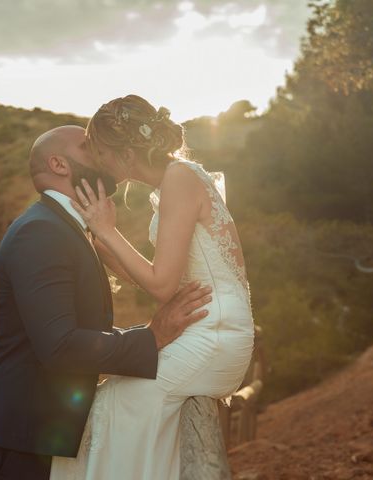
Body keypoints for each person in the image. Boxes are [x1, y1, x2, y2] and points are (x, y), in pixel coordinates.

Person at [0, 125, 213, 480]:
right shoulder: (41, 231)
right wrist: (151, 337)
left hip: (33, 431)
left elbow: (72, 333)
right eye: (89, 147)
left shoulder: (63, 227)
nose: (104, 152)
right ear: (59, 164)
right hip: (12, 436)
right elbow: (60, 345)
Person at [50, 95, 255, 479]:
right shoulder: (177, 179)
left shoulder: (180, 178)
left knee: (111, 404)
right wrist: (100, 244)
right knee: (110, 400)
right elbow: (161, 277)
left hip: (216, 333)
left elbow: (161, 286)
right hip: (207, 328)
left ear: (126, 152)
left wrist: (107, 230)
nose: (100, 163)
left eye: (101, 153)